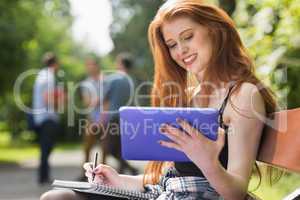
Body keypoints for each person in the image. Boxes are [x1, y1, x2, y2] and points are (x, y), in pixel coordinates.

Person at [40, 0, 277, 199]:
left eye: (188, 37)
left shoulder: (243, 95)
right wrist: (116, 179)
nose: (181, 51)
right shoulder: (189, 98)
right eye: (172, 44)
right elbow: (169, 178)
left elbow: (236, 193)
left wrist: (208, 161)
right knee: (56, 197)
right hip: (166, 193)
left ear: (214, 31)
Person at [98, 53, 138, 174]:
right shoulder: (133, 80)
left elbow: (105, 99)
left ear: (121, 64)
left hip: (114, 117)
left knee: (109, 148)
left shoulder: (114, 78)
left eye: (117, 62)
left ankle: (129, 169)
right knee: (121, 147)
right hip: (127, 118)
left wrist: (102, 117)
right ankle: (126, 170)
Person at [33, 52, 64, 185]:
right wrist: (62, 98)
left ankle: (44, 176)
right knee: (47, 148)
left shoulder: (41, 75)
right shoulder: (49, 77)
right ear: (55, 64)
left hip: (39, 117)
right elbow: (48, 98)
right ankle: (43, 177)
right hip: (48, 117)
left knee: (45, 148)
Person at [78, 57, 108, 180]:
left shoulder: (105, 81)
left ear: (97, 66)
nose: (90, 68)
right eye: (88, 65)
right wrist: (98, 100)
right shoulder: (86, 83)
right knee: (87, 147)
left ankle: (102, 174)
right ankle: (84, 173)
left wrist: (102, 117)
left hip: (105, 119)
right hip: (91, 119)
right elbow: (87, 102)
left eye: (92, 65)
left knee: (105, 148)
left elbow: (108, 101)